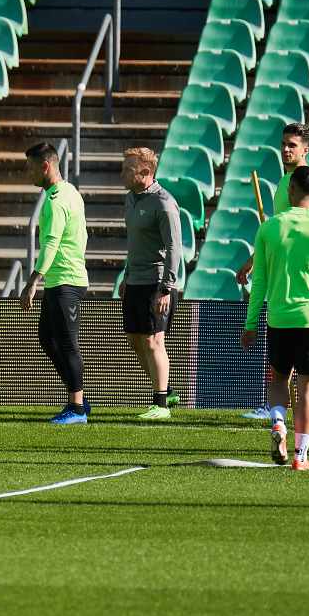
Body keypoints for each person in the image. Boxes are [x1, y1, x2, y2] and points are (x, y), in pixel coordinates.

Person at [242, 166, 309, 469]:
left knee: (279, 379)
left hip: (279, 318)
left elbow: (259, 282)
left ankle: (278, 422)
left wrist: (251, 323)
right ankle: (301, 456)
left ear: (290, 190)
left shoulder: (269, 228)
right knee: (307, 390)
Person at [236, 122, 309, 420]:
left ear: (306, 149)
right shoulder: (285, 182)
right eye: (284, 144)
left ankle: (279, 410)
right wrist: (254, 260)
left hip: (300, 273)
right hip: (284, 269)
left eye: (292, 145)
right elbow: (277, 232)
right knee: (298, 349)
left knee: (293, 349)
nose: (286, 149)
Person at [19, 142, 91, 424]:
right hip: (61, 279)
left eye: (31, 167)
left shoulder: (56, 200)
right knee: (47, 338)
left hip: (66, 280)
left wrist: (33, 281)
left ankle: (77, 408)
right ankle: (78, 396)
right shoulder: (70, 191)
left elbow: (51, 242)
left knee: (67, 343)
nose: (28, 173)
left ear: (45, 166)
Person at [120, 147, 182, 420]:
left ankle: (161, 404)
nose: (122, 174)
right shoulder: (130, 199)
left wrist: (166, 288)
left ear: (145, 172)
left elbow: (175, 249)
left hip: (157, 282)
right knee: (135, 340)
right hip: (135, 280)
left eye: (128, 170)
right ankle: (167, 390)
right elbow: (134, 243)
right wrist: (126, 275)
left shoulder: (164, 203)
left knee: (154, 340)